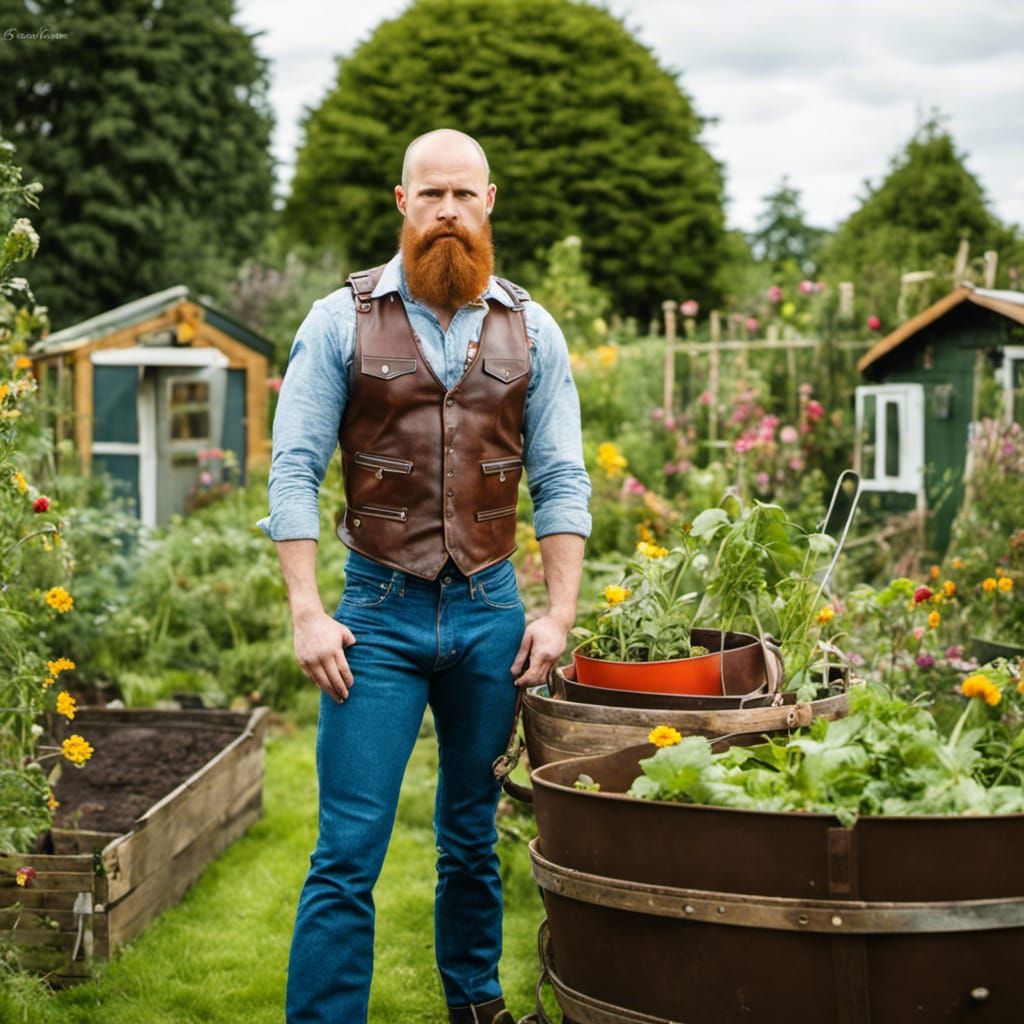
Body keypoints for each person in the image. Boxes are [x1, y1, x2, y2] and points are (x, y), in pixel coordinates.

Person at [257, 128, 591, 1024]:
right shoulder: (339, 320)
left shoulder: (533, 329)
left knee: (470, 840)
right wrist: (306, 612)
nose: (449, 210)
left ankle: (475, 1006)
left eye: (464, 195)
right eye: (431, 194)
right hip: (376, 617)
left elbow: (561, 478)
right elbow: (292, 472)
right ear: (402, 203)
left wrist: (557, 615)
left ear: (491, 203)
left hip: (491, 615)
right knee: (348, 851)